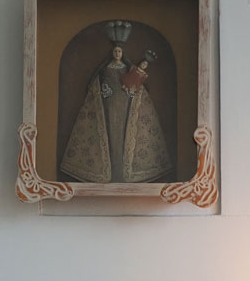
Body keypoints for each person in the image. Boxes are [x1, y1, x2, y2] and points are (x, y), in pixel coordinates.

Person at [60, 22, 173, 183]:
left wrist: (141, 68)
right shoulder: (105, 68)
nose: (118, 53)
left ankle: (123, 171)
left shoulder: (127, 68)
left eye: (120, 51)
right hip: (109, 104)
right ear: (112, 53)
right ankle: (110, 171)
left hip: (126, 105)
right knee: (110, 133)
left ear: (122, 53)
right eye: (115, 51)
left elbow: (135, 82)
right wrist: (103, 89)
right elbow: (96, 82)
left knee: (124, 133)